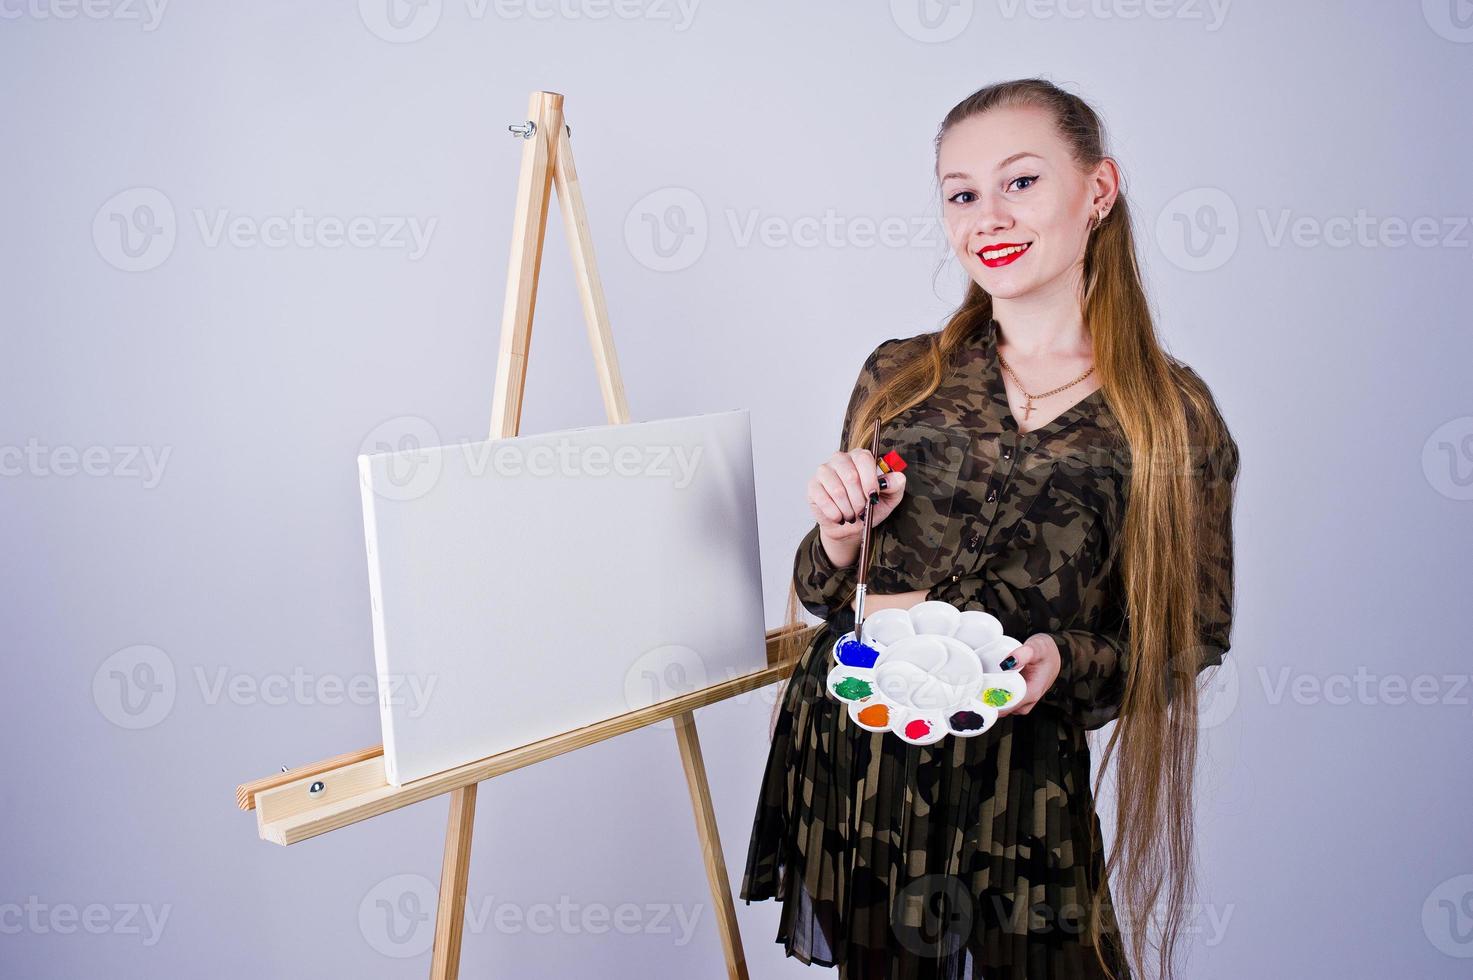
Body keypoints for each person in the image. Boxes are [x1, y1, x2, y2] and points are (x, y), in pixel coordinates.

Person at [740, 77, 1241, 980]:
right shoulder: (899, 376)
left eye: (1020, 182)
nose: (987, 217)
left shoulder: (1169, 414)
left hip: (1016, 778)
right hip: (858, 752)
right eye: (961, 193)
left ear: (1097, 190)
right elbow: (825, 596)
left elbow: (1192, 633)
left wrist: (1064, 660)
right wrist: (843, 536)